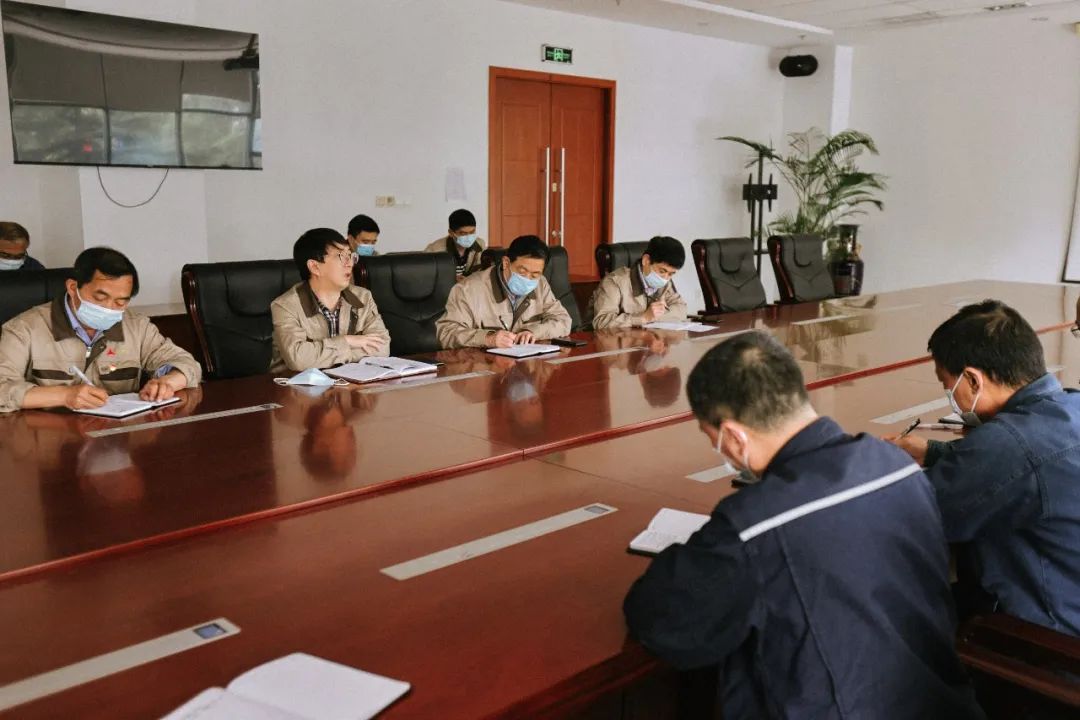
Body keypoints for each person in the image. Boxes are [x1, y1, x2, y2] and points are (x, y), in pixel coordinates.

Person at [624, 331, 983, 720]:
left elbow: (664, 621)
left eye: (713, 438)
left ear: (734, 436)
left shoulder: (754, 522)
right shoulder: (896, 465)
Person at [888, 300, 1080, 635]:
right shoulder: (1071, 405)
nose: (951, 397)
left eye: (948, 386)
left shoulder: (1006, 444)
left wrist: (868, 466)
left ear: (973, 380)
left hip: (1050, 639)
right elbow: (1028, 466)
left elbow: (909, 517)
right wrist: (934, 451)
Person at [0, 246, 201, 413]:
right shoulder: (24, 329)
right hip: (49, 439)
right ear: (72, 288)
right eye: (100, 298)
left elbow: (187, 364)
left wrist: (168, 382)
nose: (109, 308)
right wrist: (64, 395)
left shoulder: (136, 326)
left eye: (121, 301)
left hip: (116, 436)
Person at [270, 228, 390, 373]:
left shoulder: (363, 297)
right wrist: (347, 341)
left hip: (350, 383)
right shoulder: (285, 306)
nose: (350, 263)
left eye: (350, 255)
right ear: (315, 267)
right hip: (296, 385)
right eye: (341, 256)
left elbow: (382, 348)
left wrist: (322, 356)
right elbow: (298, 359)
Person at [436, 234, 571, 349]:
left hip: (527, 364)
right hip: (484, 366)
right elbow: (446, 334)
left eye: (535, 274)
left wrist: (533, 332)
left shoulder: (540, 284)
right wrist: (488, 338)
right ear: (506, 263)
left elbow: (563, 321)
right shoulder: (468, 289)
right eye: (522, 272)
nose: (528, 279)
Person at [588, 236, 688, 329]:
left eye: (671, 274)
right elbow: (601, 322)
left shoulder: (664, 283)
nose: (666, 278)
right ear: (646, 260)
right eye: (662, 271)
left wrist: (655, 316)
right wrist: (643, 317)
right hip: (607, 340)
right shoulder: (614, 282)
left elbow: (681, 309)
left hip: (644, 338)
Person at [424, 208, 485, 279]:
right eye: (463, 233)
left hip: (470, 285)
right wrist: (451, 279)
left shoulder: (479, 244)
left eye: (472, 232)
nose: (468, 237)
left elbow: (483, 271)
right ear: (451, 233)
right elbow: (425, 274)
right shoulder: (434, 250)